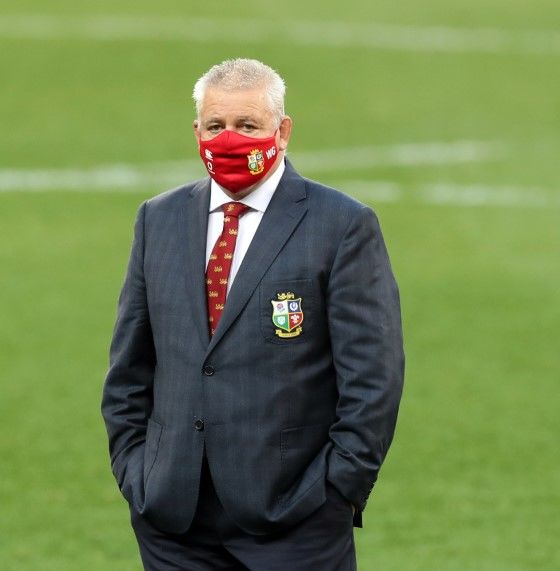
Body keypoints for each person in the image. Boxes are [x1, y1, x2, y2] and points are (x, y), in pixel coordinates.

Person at [101, 58, 404, 570]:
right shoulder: (158, 219)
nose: (229, 139)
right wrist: (136, 471)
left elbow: (374, 378)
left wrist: (338, 491)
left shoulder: (342, 224)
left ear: (282, 132)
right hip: (174, 520)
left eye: (247, 125)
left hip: (296, 520)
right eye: (215, 126)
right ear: (196, 132)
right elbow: (130, 366)